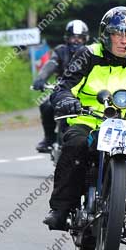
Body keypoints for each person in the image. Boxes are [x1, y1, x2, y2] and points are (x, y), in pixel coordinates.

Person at [43, 6, 126, 232]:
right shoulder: (88, 54)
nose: (124, 41)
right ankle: (61, 209)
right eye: (118, 34)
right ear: (106, 34)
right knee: (75, 146)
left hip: (121, 126)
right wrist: (67, 100)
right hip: (87, 121)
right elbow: (64, 86)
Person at [32, 20, 89, 153]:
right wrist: (41, 78)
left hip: (84, 93)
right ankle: (49, 138)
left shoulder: (90, 52)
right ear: (67, 38)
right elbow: (50, 65)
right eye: (73, 37)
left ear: (85, 39)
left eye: (80, 38)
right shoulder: (60, 51)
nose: (76, 41)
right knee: (46, 106)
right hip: (62, 91)